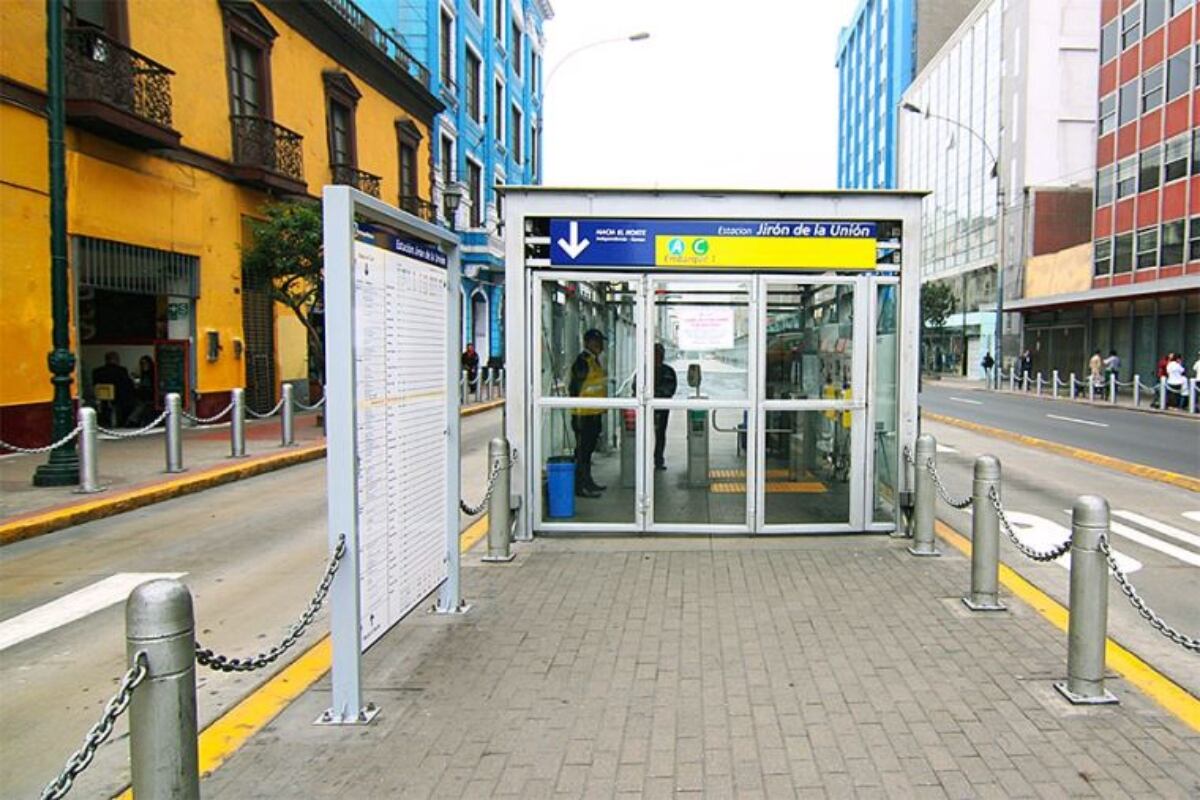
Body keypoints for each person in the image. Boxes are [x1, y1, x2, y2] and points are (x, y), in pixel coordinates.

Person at [569, 329, 608, 498]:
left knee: (589, 450)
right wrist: (577, 412)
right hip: (583, 415)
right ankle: (580, 486)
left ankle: (588, 482)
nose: (600, 345)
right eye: (596, 341)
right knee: (582, 452)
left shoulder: (594, 361)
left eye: (600, 341)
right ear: (587, 342)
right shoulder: (582, 361)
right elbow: (575, 388)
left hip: (594, 412)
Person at [91, 351, 136, 427]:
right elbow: (127, 384)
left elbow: (95, 385)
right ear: (116, 360)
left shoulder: (97, 372)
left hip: (102, 398)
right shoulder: (121, 370)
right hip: (119, 397)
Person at [653, 343, 678, 470]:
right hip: (647, 409)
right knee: (645, 434)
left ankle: (658, 459)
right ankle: (645, 458)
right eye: (656, 353)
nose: (658, 356)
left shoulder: (668, 371)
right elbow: (636, 386)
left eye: (660, 354)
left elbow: (672, 388)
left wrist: (660, 395)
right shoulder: (645, 369)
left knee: (660, 434)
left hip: (662, 408)